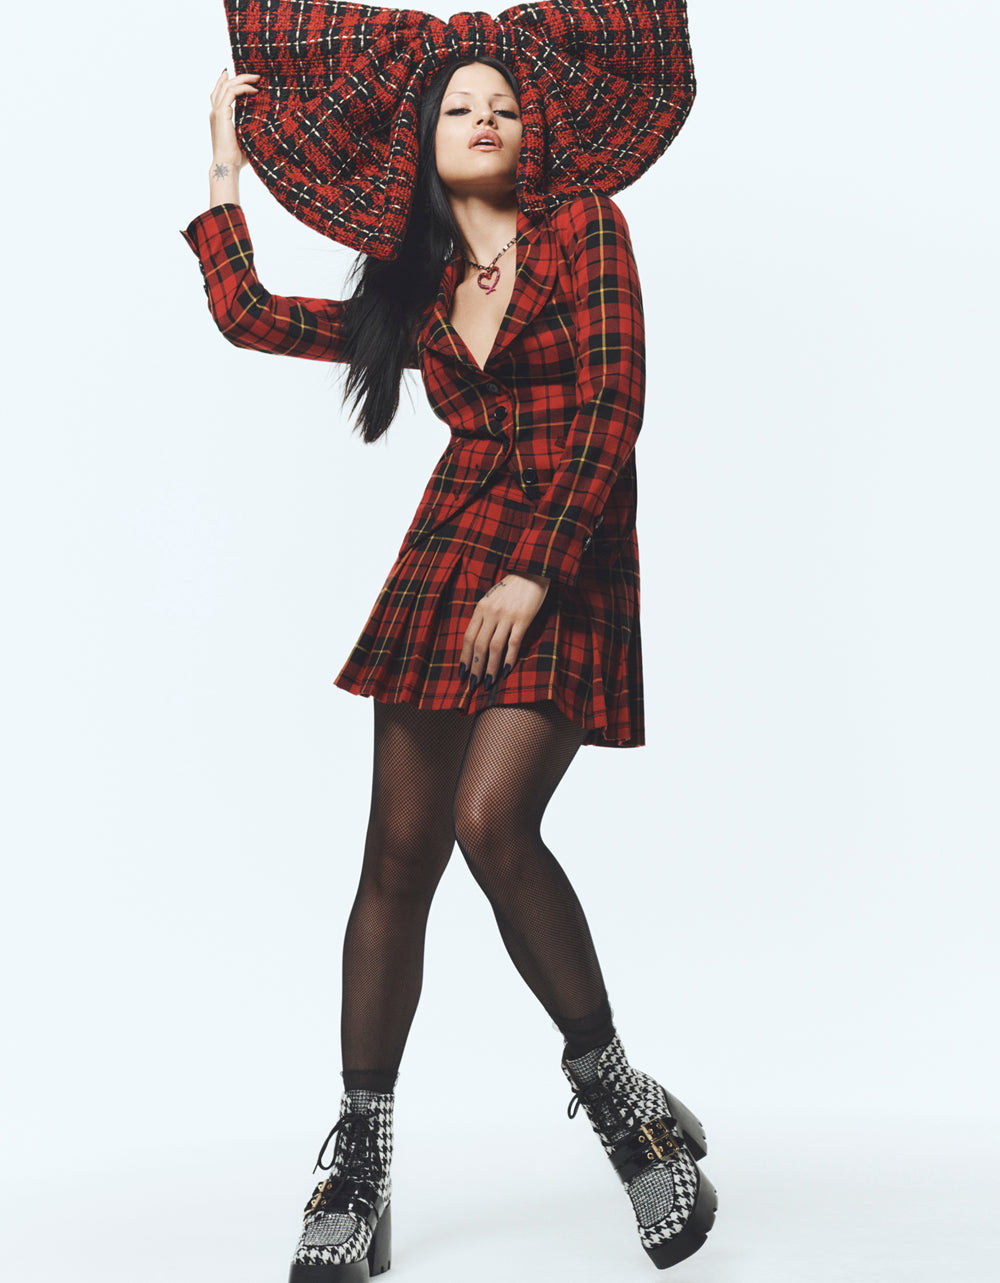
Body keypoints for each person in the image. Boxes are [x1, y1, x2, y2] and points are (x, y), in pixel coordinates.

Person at [182, 25, 713, 1283]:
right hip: (448, 555)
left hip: (568, 549)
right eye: (460, 105)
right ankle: (358, 1164)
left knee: (491, 821)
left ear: (533, 137)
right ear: (422, 143)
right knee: (397, 854)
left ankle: (624, 1107)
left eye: (505, 106)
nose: (485, 116)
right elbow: (251, 316)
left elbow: (614, 404)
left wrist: (537, 569)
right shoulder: (414, 286)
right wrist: (223, 174)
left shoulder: (585, 229)